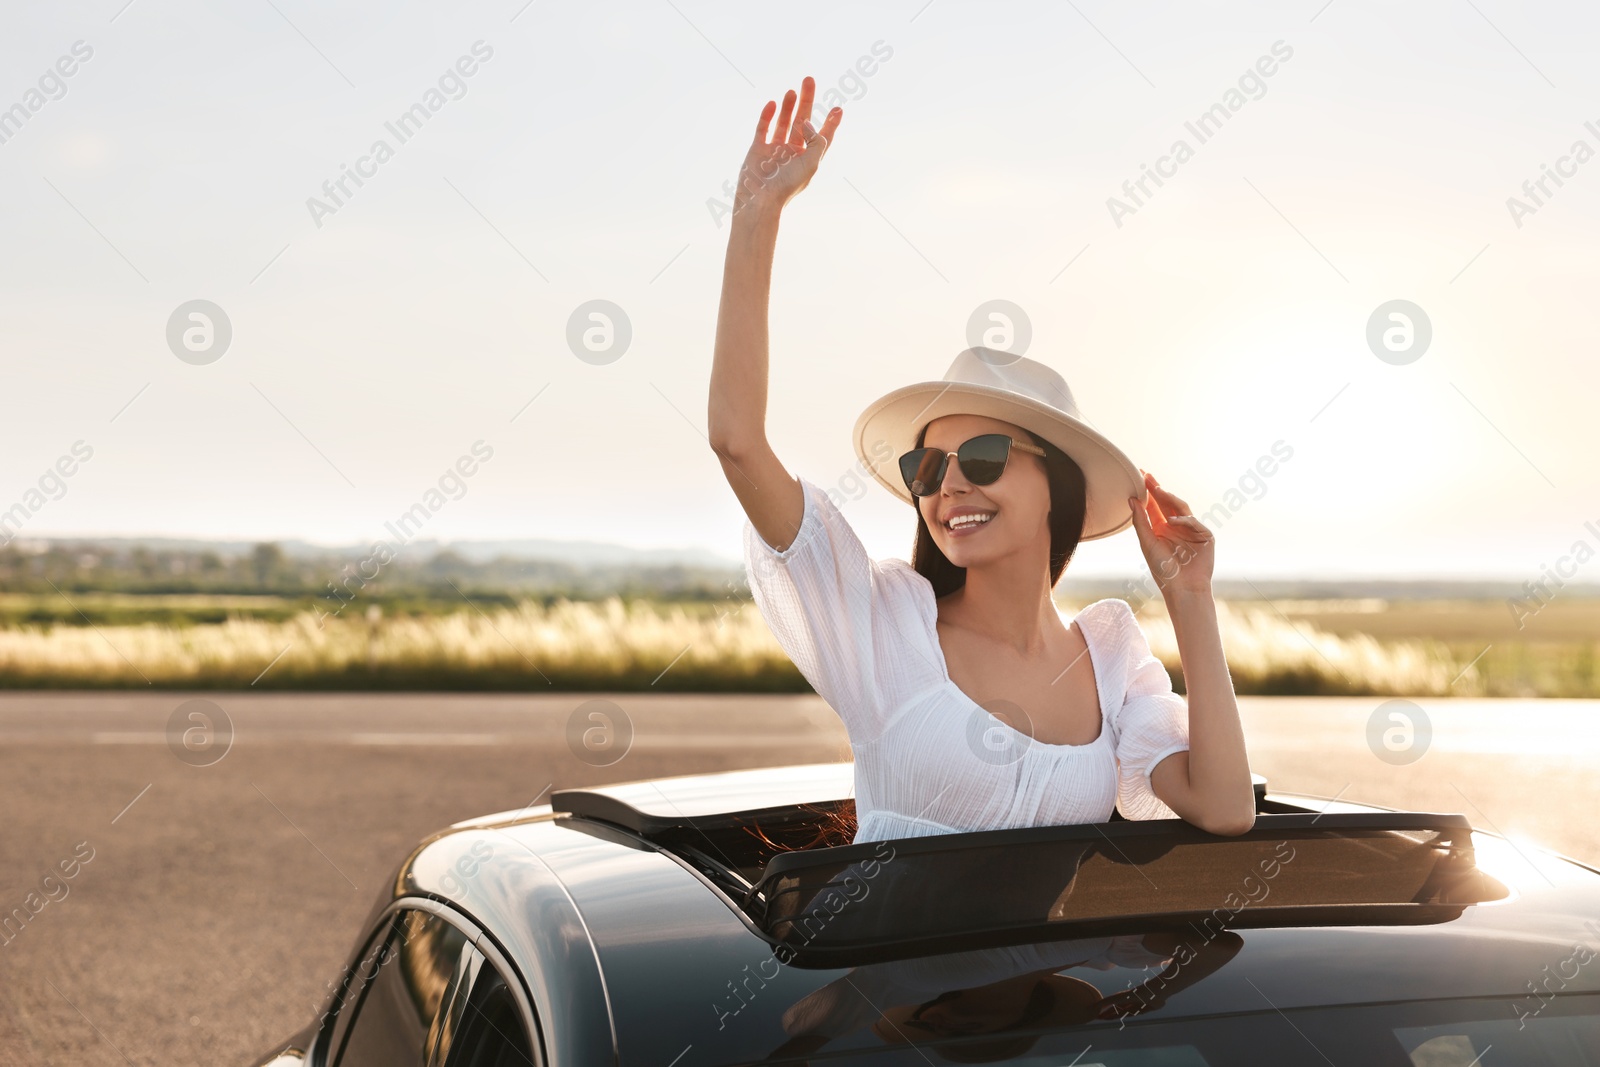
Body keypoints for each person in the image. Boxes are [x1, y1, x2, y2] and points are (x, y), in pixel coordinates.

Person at [707, 76, 1254, 845]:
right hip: (895, 970)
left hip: (1058, 975)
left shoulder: (1112, 660)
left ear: (1054, 481)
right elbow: (736, 441)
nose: (948, 484)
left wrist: (1191, 601)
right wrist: (755, 219)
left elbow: (1226, 807)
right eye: (926, 470)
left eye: (985, 456)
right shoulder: (881, 627)